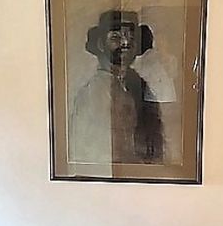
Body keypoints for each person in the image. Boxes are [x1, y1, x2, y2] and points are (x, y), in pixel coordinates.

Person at [69, 10, 164, 164]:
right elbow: (85, 151)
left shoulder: (141, 86)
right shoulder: (91, 93)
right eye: (116, 37)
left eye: (131, 37)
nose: (125, 43)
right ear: (100, 44)